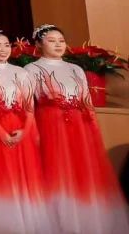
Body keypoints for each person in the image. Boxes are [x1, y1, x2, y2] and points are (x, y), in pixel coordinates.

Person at [25, 24, 129, 232]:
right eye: (51, 41)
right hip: (50, 126)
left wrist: (92, 126)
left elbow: (86, 101)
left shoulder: (76, 69)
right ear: (39, 44)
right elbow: (28, 104)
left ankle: (89, 220)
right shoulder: (31, 70)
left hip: (80, 126)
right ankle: (61, 222)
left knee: (83, 170)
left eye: (61, 41)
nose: (58, 45)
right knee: (57, 171)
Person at [0, 28, 53, 233]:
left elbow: (30, 106)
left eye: (6, 45)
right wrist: (0, 132)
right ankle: (5, 222)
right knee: (0, 172)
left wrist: (25, 130)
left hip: (21, 129)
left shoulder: (21, 72)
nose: (3, 50)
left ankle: (27, 220)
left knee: (25, 173)